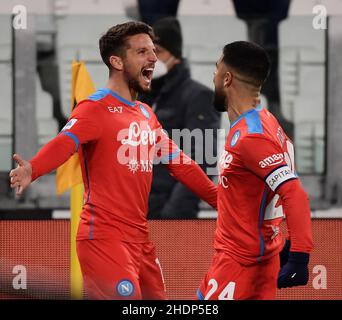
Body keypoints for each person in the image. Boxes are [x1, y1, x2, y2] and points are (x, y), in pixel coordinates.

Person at [9, 21, 217, 300]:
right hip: (104, 238)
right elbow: (64, 144)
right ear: (117, 61)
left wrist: (222, 201)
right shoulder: (94, 108)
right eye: (142, 51)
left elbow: (181, 164)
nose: (153, 58)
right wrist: (32, 170)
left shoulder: (145, 114)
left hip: (140, 240)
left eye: (153, 51)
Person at [197, 41, 313, 300]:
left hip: (241, 266)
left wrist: (299, 255)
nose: (213, 75)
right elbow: (233, 197)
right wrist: (174, 158)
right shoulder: (265, 120)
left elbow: (294, 194)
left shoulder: (251, 137)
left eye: (216, 68)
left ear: (227, 78)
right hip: (247, 259)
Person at [140, 17, 220, 219]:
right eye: (146, 52)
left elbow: (201, 160)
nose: (151, 59)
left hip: (169, 213)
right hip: (135, 210)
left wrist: (173, 215)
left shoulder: (198, 96)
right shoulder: (139, 95)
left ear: (175, 55)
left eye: (158, 51)